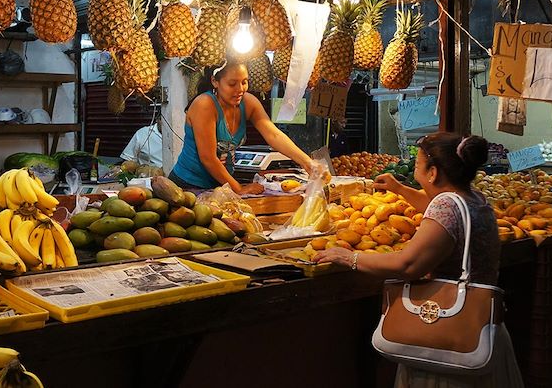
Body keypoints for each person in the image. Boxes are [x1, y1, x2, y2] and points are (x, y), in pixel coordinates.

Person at [314, 132, 523, 387]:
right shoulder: (474, 199)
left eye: (417, 164)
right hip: (479, 328)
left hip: (446, 334)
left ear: (433, 172)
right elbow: (437, 207)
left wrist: (350, 257)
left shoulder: (446, 205)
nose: (415, 169)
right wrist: (398, 188)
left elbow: (408, 265)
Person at [170, 61, 313, 194]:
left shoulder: (249, 102)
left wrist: (307, 162)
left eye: (244, 82)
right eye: (232, 84)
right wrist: (239, 189)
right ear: (215, 82)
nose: (240, 89)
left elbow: (273, 135)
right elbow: (208, 158)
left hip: (220, 188)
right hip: (187, 186)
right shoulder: (204, 105)